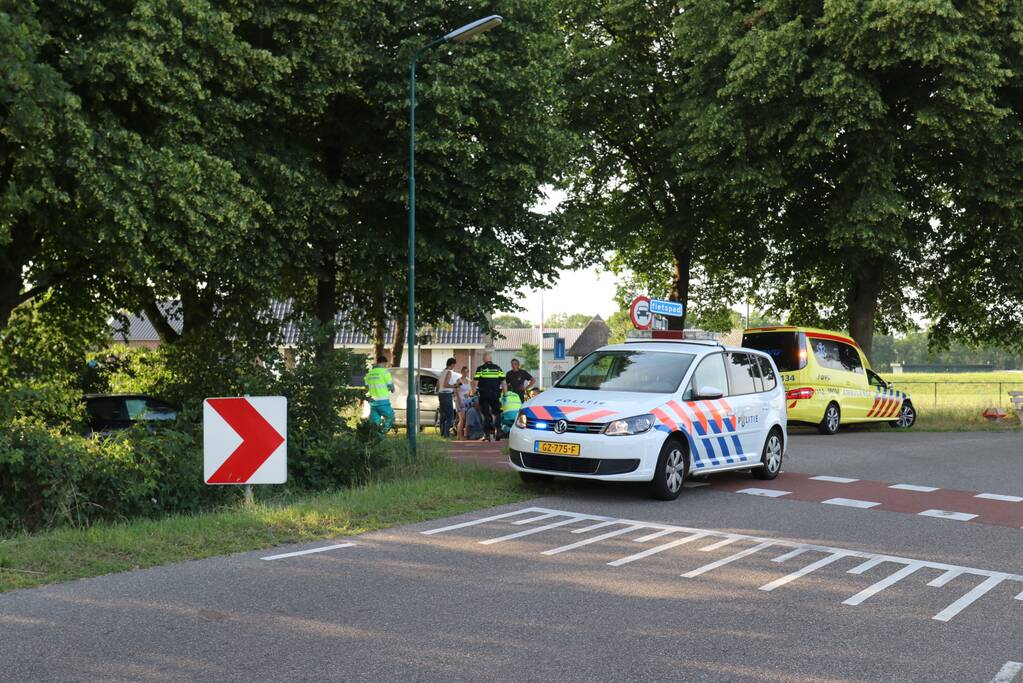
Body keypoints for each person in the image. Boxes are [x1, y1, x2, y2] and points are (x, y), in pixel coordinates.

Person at [472, 352, 505, 442]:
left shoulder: (480, 369)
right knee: (497, 413)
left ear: (483, 359)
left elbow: (475, 383)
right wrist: (505, 394)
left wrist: (472, 393)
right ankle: (498, 431)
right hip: (495, 395)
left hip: (484, 395)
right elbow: (503, 382)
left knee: (486, 415)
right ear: (490, 359)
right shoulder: (498, 368)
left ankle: (487, 435)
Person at [365, 355, 395, 433]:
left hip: (373, 403)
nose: (385, 366)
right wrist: (391, 388)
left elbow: (367, 387)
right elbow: (392, 388)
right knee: (390, 418)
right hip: (383, 402)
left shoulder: (369, 373)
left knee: (375, 423)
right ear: (383, 363)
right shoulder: (385, 372)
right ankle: (382, 434)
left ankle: (375, 437)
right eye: (385, 364)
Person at [438, 357, 458, 438]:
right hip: (447, 394)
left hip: (440, 394)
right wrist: (454, 386)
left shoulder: (442, 372)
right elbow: (445, 384)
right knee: (450, 415)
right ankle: (446, 434)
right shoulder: (449, 372)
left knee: (443, 415)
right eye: (454, 365)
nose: (454, 367)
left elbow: (438, 385)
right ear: (452, 364)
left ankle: (442, 433)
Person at [455, 365, 472, 439]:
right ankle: (459, 436)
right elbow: (457, 391)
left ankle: (463, 435)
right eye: (464, 372)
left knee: (465, 419)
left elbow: (470, 391)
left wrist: (468, 394)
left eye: (467, 372)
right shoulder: (459, 381)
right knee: (462, 419)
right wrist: (460, 401)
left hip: (467, 401)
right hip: (460, 401)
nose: (466, 373)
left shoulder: (469, 381)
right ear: (461, 372)